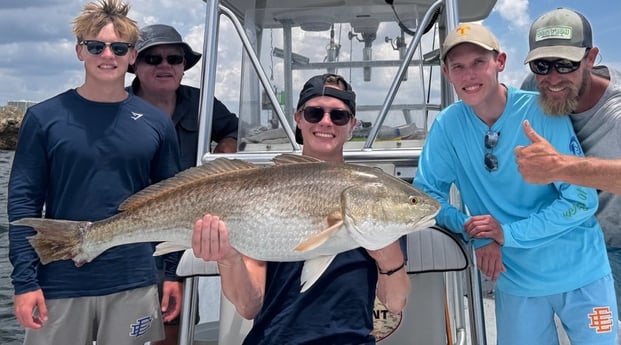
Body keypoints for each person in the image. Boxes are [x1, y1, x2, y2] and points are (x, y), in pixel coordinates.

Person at [413, 23, 617, 344]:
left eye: (479, 62)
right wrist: (477, 232)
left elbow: (581, 201)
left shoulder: (542, 112)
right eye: (458, 67)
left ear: (501, 61)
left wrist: (506, 235)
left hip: (583, 276)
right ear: (446, 73)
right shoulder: (447, 126)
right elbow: (427, 196)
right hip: (516, 282)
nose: (469, 75)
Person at [8, 1, 182, 344]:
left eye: (119, 48)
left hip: (134, 280)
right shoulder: (44, 118)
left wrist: (172, 272)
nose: (108, 55)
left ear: (131, 55)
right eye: (96, 46)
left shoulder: (157, 124)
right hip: (59, 281)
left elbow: (175, 203)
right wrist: (25, 283)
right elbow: (23, 204)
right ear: (79, 51)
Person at [190, 73, 410, 344]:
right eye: (314, 113)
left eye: (338, 116)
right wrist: (228, 258)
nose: (326, 122)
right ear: (298, 118)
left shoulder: (375, 194)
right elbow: (249, 307)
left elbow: (396, 303)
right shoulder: (265, 189)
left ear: (352, 124)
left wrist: (388, 257)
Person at [128, 23, 239, 345]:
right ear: (135, 63)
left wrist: (222, 157)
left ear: (183, 66)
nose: (165, 65)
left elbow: (232, 129)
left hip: (189, 224)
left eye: (173, 59)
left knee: (175, 315)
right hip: (135, 222)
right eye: (153, 58)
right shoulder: (117, 108)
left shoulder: (202, 104)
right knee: (128, 320)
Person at [516, 7, 621, 316]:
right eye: (542, 64)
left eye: (565, 64)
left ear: (591, 58)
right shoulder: (533, 87)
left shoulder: (615, 115)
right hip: (564, 234)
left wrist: (560, 168)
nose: (552, 78)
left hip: (613, 244)